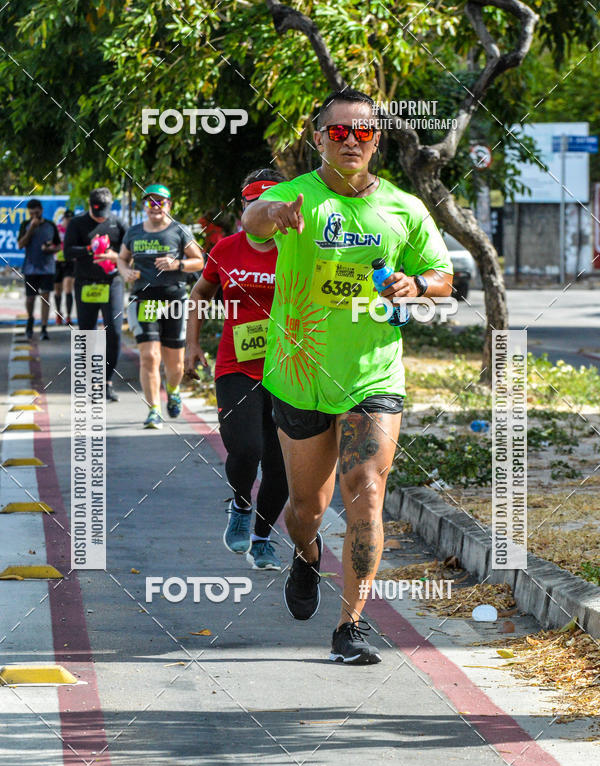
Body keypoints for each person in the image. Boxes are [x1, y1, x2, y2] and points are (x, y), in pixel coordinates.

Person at [241, 88, 453, 664]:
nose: (351, 141)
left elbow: (442, 276)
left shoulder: (404, 208)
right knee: (306, 508)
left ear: (376, 140)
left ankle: (351, 626)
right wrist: (272, 215)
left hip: (372, 374)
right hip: (300, 374)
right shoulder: (296, 196)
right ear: (319, 139)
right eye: (339, 132)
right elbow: (252, 219)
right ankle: (307, 553)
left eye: (363, 132)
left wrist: (416, 285)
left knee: (366, 489)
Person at [185, 170, 289, 571]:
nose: (262, 211)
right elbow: (200, 293)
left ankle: (262, 539)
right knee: (246, 449)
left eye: (271, 203)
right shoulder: (226, 249)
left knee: (280, 466)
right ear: (244, 208)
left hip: (288, 370)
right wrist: (192, 344)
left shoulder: (299, 250)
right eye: (254, 203)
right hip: (236, 366)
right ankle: (242, 504)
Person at [117, 184, 205, 429]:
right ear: (144, 207)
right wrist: (125, 271)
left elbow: (199, 261)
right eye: (150, 203)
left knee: (174, 363)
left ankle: (173, 390)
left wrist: (177, 264)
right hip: (144, 300)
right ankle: (153, 410)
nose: (155, 207)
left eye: (160, 202)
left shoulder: (179, 230)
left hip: (174, 301)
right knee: (149, 356)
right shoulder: (134, 232)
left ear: (169, 205)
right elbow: (122, 259)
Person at [64, 188, 126, 401]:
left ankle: (107, 382)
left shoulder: (118, 223)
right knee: (87, 334)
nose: (101, 218)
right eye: (97, 213)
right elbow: (67, 252)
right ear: (89, 206)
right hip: (86, 284)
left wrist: (115, 256)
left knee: (114, 332)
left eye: (104, 214)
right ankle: (92, 381)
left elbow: (130, 252)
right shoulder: (77, 223)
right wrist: (90, 249)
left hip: (112, 283)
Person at [17, 199, 60, 340]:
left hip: (47, 268)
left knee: (45, 297)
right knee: (30, 298)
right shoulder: (25, 225)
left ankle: (44, 327)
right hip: (30, 268)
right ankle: (30, 319)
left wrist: (50, 249)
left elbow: (58, 245)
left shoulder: (50, 225)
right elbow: (20, 245)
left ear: (41, 210)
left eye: (36, 213)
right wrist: (31, 229)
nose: (34, 216)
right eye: (31, 213)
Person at [54, 209, 74, 325]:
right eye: (67, 220)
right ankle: (59, 314)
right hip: (57, 262)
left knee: (68, 287)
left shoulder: (74, 230)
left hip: (69, 262)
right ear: (64, 219)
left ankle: (69, 316)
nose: (69, 222)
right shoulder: (57, 229)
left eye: (71, 220)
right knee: (57, 290)